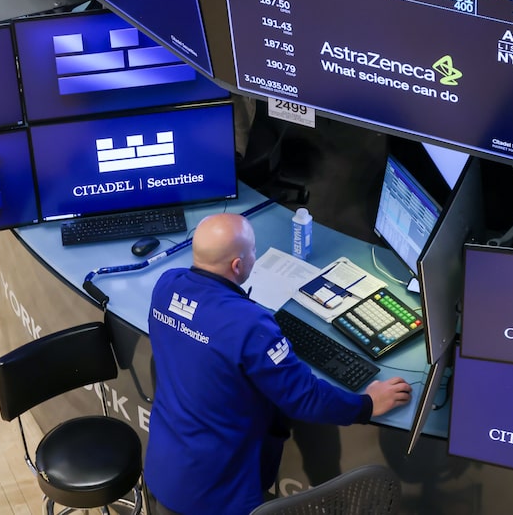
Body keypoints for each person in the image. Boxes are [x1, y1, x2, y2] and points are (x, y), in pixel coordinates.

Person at [145, 212, 413, 515]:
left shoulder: (166, 285)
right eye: (252, 252)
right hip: (219, 491)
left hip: (164, 472)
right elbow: (305, 399)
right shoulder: (250, 325)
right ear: (238, 265)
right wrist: (366, 405)